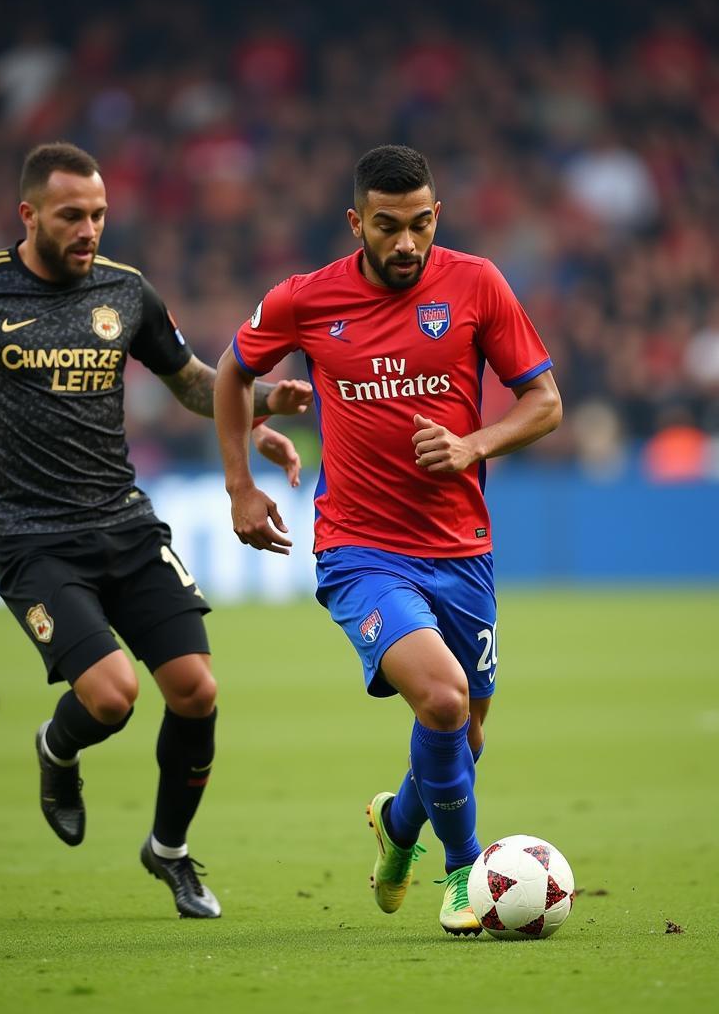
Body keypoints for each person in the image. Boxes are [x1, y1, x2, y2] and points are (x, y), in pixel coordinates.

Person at [0, 141, 312, 921]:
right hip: (31, 540)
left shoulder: (126, 293)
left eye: (99, 214)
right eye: (72, 214)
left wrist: (261, 404)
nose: (89, 228)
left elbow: (195, 384)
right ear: (29, 214)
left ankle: (168, 852)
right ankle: (56, 747)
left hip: (126, 524)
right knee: (112, 698)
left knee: (197, 690)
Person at [214, 145, 562, 935]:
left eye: (419, 225)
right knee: (440, 700)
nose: (406, 243)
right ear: (356, 223)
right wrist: (240, 484)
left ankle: (398, 824)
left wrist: (475, 445)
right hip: (359, 549)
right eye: (387, 227)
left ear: (436, 215)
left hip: (462, 548)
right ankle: (464, 873)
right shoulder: (306, 300)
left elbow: (543, 401)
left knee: (464, 738)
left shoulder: (476, 283)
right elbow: (232, 374)